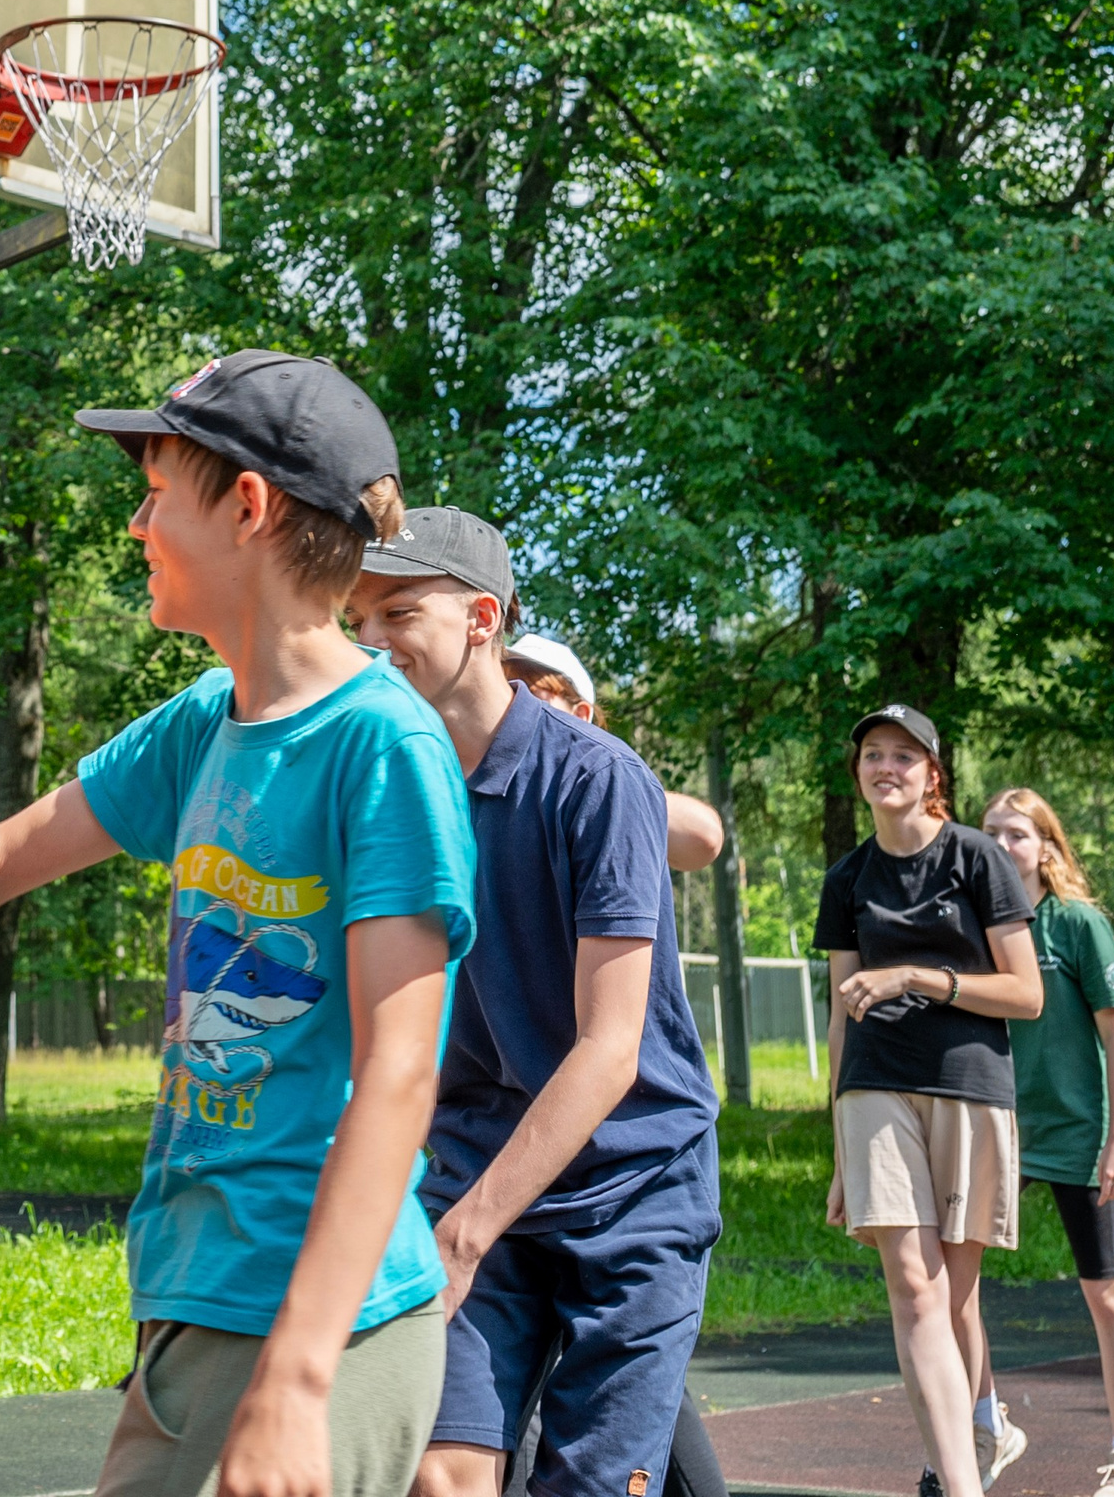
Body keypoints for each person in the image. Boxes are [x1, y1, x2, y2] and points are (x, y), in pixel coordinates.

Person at [0, 350, 478, 1497]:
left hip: (319, 1322)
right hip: (196, 1295)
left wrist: (299, 1379)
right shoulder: (207, 719)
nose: (138, 522)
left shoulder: (379, 746)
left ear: (247, 507)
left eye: (157, 491)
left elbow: (400, 1074)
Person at [345, 510, 722, 1497]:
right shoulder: (385, 787)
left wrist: (463, 1236)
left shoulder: (599, 782)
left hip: (628, 1192)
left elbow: (609, 1050)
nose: (369, 638)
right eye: (356, 618)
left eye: (396, 611)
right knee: (441, 1474)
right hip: (471, 1165)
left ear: (480, 618)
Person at [495, 630, 730, 1497]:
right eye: (508, 683)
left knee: (626, 1406)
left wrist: (583, 774)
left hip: (626, 1155)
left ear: (581, 710)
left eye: (540, 689)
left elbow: (702, 833)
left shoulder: (602, 784)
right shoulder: (465, 792)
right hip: (513, 1139)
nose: (517, 698)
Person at [813, 705, 1042, 1497]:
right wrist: (842, 1152)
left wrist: (916, 977)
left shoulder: (978, 859)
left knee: (955, 1298)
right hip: (875, 1088)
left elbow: (1027, 994)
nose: (886, 767)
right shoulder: (846, 879)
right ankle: (958, 1481)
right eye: (873, 755)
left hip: (970, 1086)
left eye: (903, 756)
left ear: (931, 774)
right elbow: (842, 1015)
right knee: (912, 1284)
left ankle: (976, 1436)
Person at [978, 789, 1114, 1497]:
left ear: (1045, 848)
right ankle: (986, 1425)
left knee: (1108, 1291)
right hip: (999, 1129)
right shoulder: (979, 928)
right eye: (989, 831)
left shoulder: (1077, 923)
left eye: (1015, 834)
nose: (1000, 843)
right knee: (951, 1284)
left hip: (1079, 1136)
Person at [501, 634, 727, 874]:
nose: (516, 705)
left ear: (580, 715)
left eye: (531, 694)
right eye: (508, 691)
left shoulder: (605, 780)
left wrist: (607, 791)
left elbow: (704, 837)